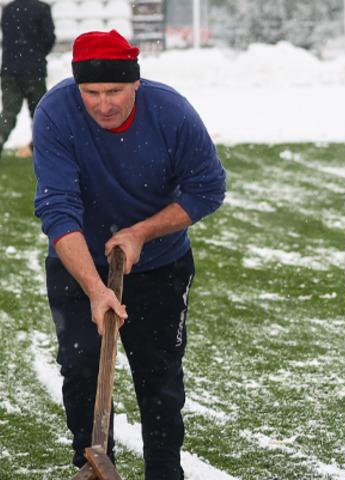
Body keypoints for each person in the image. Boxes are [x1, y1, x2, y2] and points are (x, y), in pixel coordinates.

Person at [33, 30, 226, 479]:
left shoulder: (171, 112)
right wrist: (96, 288)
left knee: (158, 376)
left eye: (115, 91)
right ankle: (94, 467)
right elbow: (57, 208)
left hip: (159, 264)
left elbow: (208, 188)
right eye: (92, 93)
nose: (104, 104)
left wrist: (141, 232)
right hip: (77, 262)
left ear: (135, 84)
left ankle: (165, 471)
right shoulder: (56, 113)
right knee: (82, 372)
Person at [0, 0, 55, 156]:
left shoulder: (9, 9)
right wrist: (37, 55)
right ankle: (41, 145)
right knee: (39, 111)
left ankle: (0, 136)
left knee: (9, 111)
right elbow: (49, 38)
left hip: (9, 69)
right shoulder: (42, 9)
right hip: (33, 70)